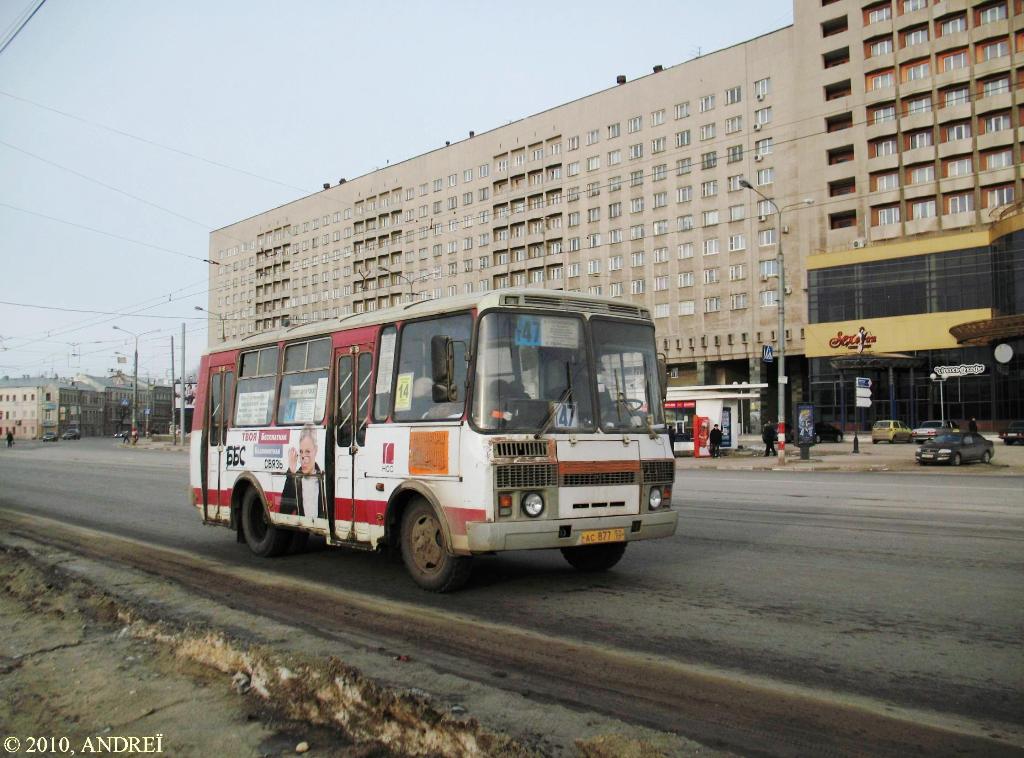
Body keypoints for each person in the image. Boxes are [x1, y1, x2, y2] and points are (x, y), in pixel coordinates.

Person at [281, 424, 326, 520]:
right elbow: (283, 512)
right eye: (301, 452)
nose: (304, 458)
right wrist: (291, 473)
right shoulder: (296, 478)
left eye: (308, 452)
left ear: (316, 450)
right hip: (302, 531)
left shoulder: (323, 478)